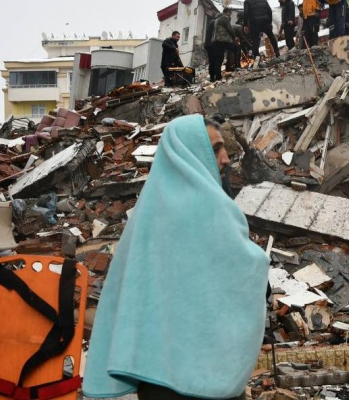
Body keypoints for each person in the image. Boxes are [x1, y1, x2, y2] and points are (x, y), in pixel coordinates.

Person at [82, 114, 270, 400]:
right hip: (200, 377)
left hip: (155, 372)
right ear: (190, 151)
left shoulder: (149, 209)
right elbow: (244, 266)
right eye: (216, 149)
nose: (226, 160)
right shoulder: (207, 206)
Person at [208, 9, 237, 82]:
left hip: (215, 41)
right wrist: (234, 37)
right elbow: (229, 29)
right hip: (222, 40)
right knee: (236, 49)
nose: (230, 15)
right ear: (227, 12)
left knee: (217, 59)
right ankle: (237, 66)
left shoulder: (216, 21)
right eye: (230, 14)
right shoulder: (224, 18)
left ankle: (216, 77)